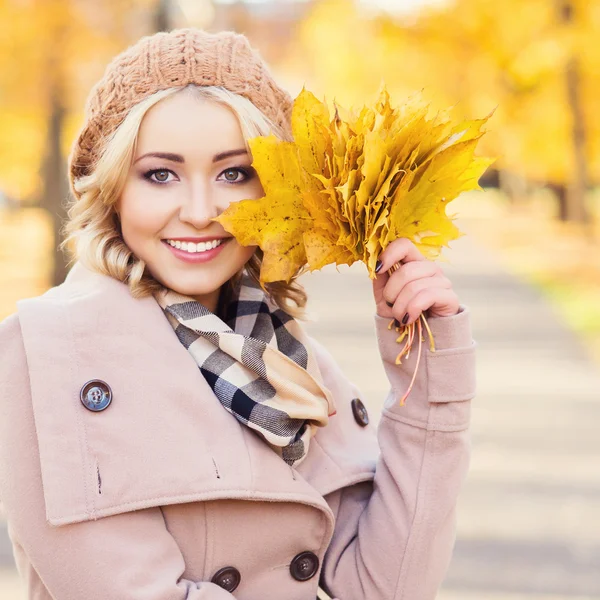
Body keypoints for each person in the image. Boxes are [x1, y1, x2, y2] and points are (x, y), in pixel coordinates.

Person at [0, 28, 476, 600]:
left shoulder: (289, 364)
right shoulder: (46, 353)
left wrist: (425, 379)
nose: (202, 212)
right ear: (113, 190)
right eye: (160, 174)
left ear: (277, 191)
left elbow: (384, 586)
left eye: (234, 173)